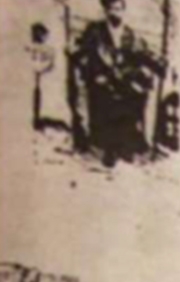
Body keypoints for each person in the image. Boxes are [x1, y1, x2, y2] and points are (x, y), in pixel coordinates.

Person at [68, 0, 165, 166]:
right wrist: (89, 71)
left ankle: (127, 146)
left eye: (119, 9)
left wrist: (158, 64)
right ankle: (105, 149)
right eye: (112, 8)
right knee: (105, 97)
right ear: (106, 10)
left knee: (134, 94)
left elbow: (143, 53)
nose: (116, 13)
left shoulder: (129, 34)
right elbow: (80, 51)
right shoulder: (95, 31)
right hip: (100, 80)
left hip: (122, 81)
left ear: (124, 10)